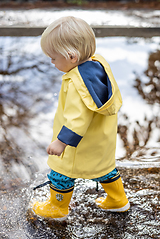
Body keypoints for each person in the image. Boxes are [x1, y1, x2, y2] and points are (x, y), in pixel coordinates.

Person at [32, 16, 130, 219]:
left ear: (71, 57)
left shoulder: (77, 84)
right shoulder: (97, 66)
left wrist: (61, 142)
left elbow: (78, 120)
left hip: (78, 146)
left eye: (53, 58)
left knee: (61, 173)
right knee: (105, 169)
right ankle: (118, 200)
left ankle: (57, 207)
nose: (51, 62)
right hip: (100, 141)